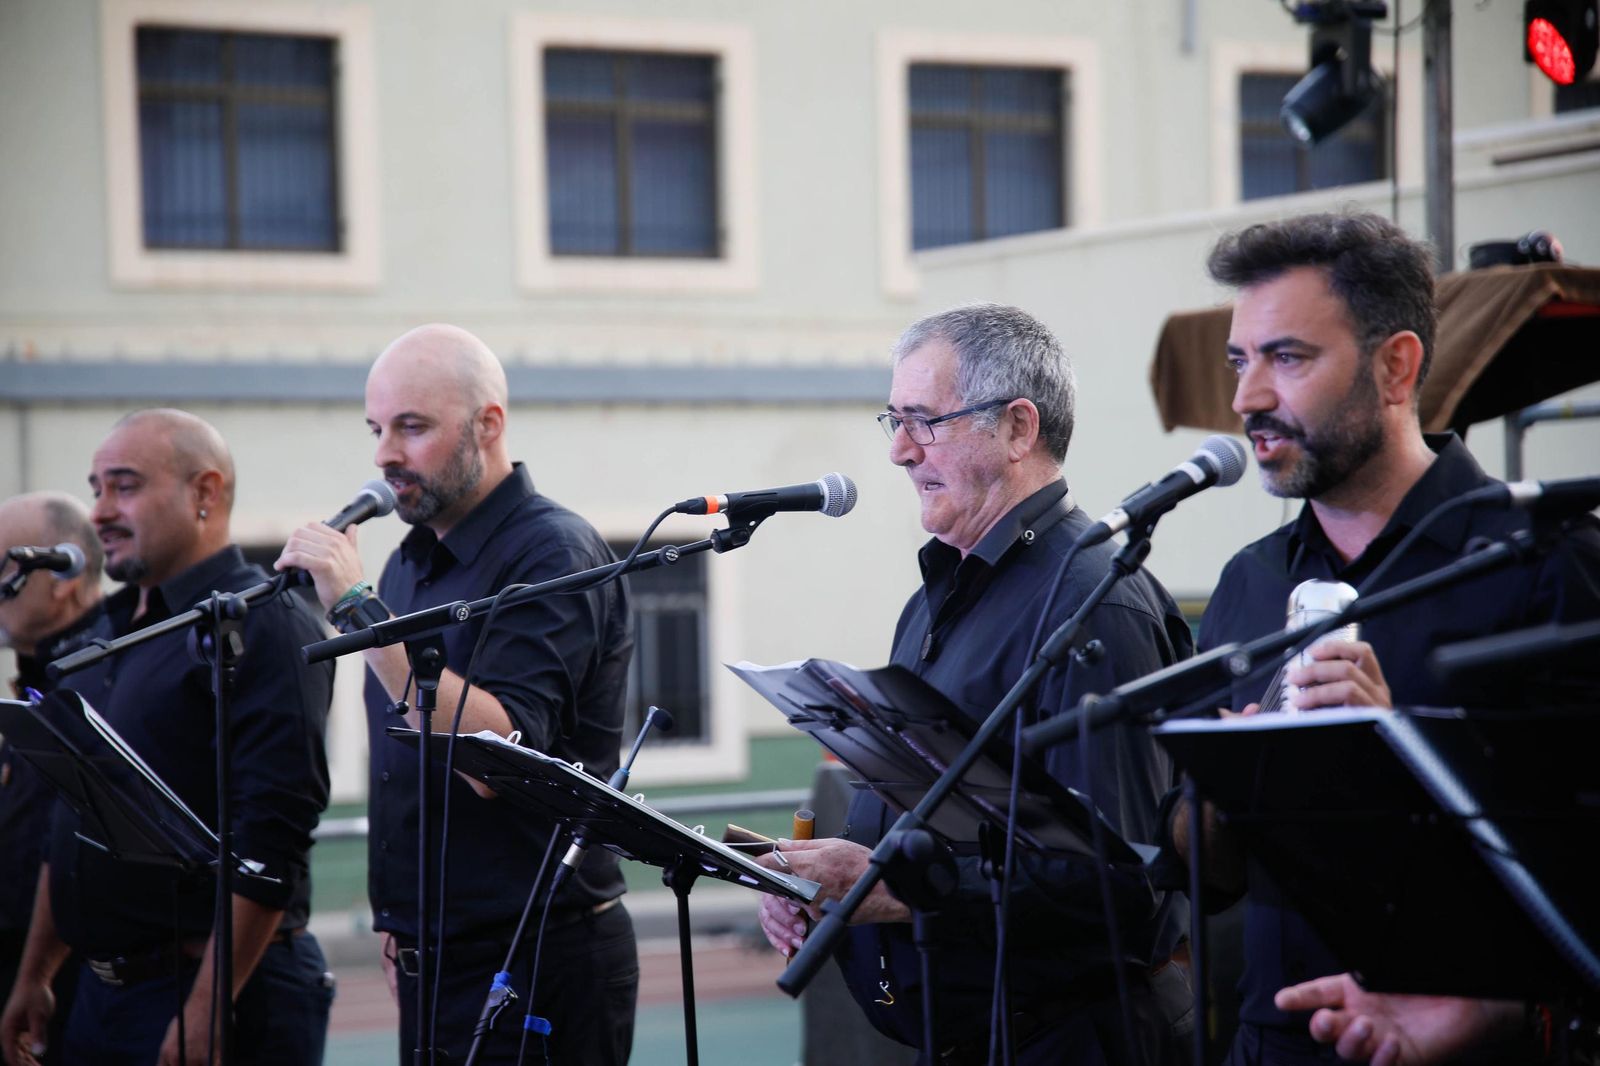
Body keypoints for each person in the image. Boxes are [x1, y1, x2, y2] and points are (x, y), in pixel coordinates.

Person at [1174, 211, 1600, 1065]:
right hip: (1271, 1045)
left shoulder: (1548, 564)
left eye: (1287, 357)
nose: (1247, 398)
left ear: (1395, 366)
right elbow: (1208, 875)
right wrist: (1224, 791)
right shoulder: (1248, 583)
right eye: (1239, 361)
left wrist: (1394, 747)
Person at [757, 304, 1195, 1064]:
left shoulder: (1098, 606)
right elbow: (925, 812)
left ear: (1018, 429)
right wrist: (821, 877)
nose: (899, 451)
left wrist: (888, 888)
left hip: (1072, 1042)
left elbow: (1123, 882)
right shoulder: (936, 597)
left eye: (924, 421)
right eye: (895, 420)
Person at [276, 323, 638, 1065]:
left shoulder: (554, 553)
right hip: (432, 956)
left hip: (535, 959)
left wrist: (357, 610)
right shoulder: (410, 564)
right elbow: (405, 758)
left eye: (412, 427)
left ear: (488, 425)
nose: (385, 454)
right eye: (377, 429)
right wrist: (403, 923)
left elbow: (493, 756)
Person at [0, 410, 335, 1066]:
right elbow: (69, 823)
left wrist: (208, 1006)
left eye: (124, 486)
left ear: (205, 492)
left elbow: (272, 834)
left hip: (216, 993)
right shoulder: (106, 634)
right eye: (96, 489)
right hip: (100, 999)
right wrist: (36, 974)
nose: (100, 511)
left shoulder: (265, 621)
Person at [0, 493, 106, 1065]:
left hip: (71, 991)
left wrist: (34, 975)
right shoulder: (41, 679)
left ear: (64, 576)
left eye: (4, 568)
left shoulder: (101, 679)